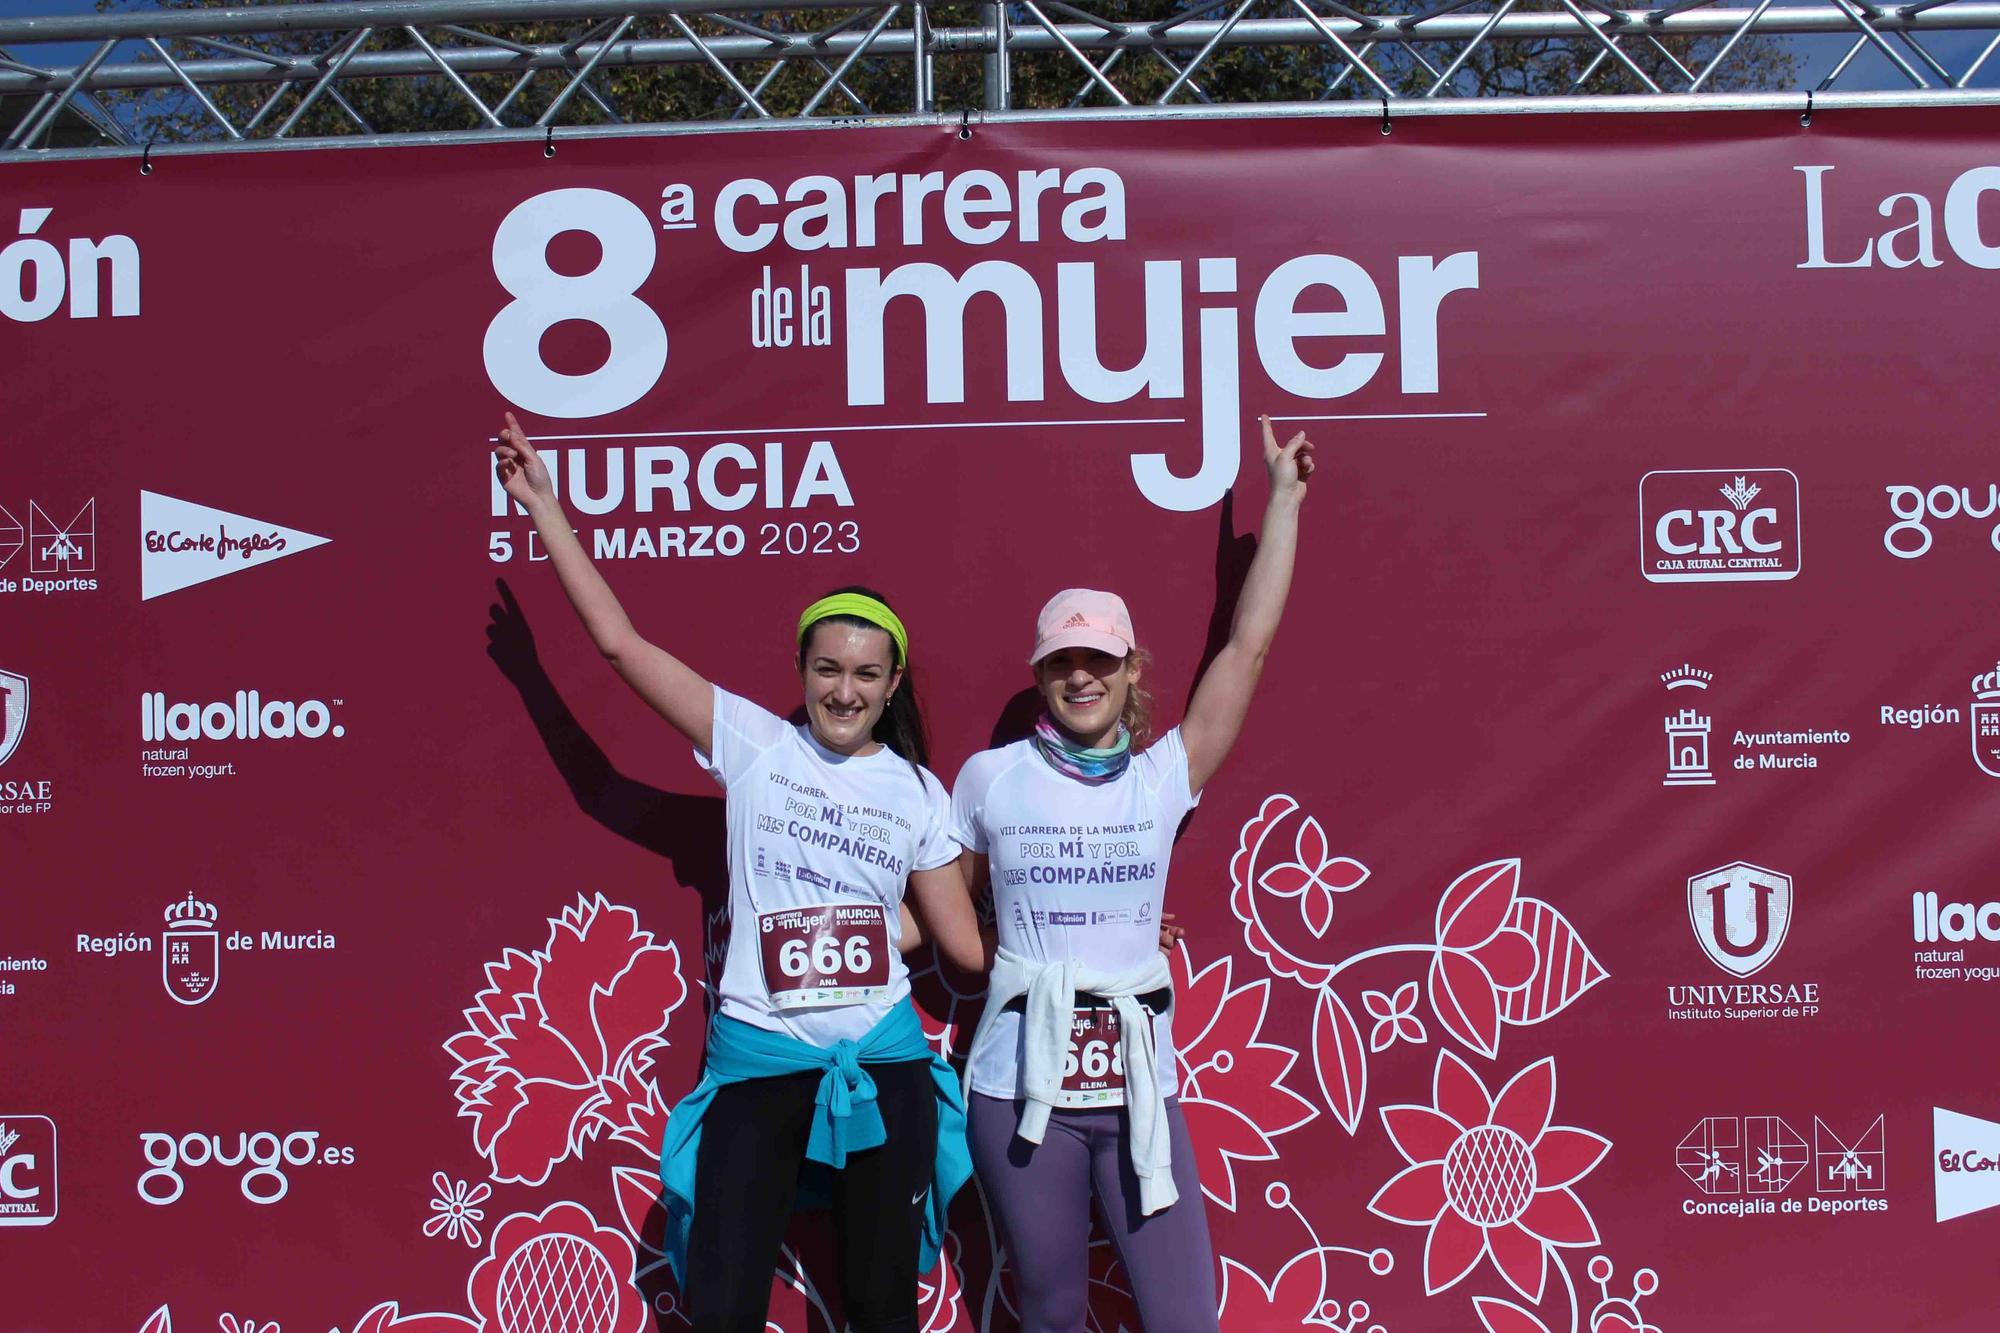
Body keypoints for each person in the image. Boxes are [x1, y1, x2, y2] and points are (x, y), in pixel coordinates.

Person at [492, 413, 988, 1333]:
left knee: (881, 1309)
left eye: (867, 674)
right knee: (721, 1302)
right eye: (828, 668)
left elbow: (957, 940)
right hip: (760, 1056)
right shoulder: (755, 745)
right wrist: (544, 510)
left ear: (892, 682)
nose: (846, 689)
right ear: (800, 671)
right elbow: (619, 646)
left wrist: (1092, 926)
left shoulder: (919, 789)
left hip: (880, 1063)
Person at [951, 416, 1315, 1333]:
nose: (1082, 676)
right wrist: (1012, 950)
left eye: (1099, 660)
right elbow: (938, 892)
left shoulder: (1163, 776)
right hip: (1016, 1087)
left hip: (1136, 1088)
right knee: (1052, 1313)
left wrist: (1283, 503)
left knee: (1185, 1317)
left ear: (1128, 669)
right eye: (1063, 661)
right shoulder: (991, 777)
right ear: (1041, 675)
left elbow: (1249, 650)